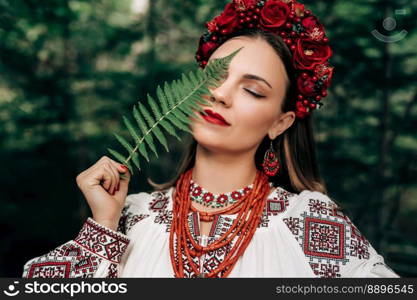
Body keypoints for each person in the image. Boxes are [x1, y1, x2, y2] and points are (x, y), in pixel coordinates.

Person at [22, 0, 399, 278]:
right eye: (215, 77)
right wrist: (103, 225)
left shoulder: (309, 221)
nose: (220, 94)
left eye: (252, 90)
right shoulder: (130, 216)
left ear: (280, 123)